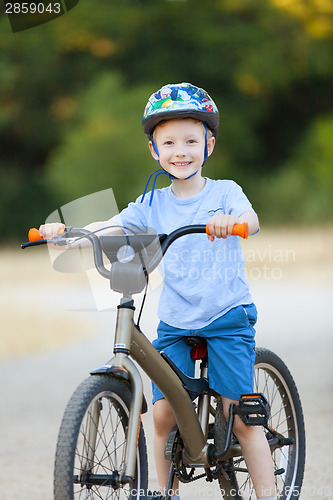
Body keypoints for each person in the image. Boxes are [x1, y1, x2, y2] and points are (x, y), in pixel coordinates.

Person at [39, 82, 276, 500]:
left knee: (240, 419)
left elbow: (250, 218)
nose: (180, 151)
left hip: (226, 316)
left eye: (190, 140)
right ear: (154, 150)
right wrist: (69, 234)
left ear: (209, 145)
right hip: (177, 320)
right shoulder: (151, 203)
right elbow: (112, 226)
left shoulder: (224, 193)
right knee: (163, 414)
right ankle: (163, 493)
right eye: (168, 142)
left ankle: (268, 494)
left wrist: (232, 222)